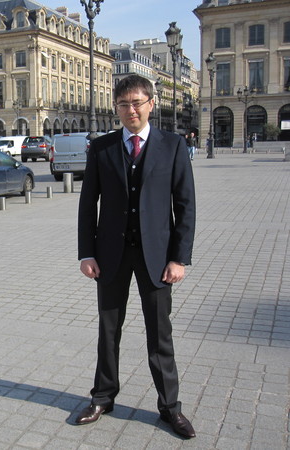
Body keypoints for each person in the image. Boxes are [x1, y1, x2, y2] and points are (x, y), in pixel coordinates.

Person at [76, 74, 196, 439]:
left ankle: (170, 407)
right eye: (124, 104)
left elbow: (185, 205)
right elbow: (88, 204)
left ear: (151, 104)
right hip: (110, 255)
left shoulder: (172, 145)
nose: (131, 110)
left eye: (137, 102)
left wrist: (179, 258)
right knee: (108, 330)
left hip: (156, 257)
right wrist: (87, 253)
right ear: (116, 108)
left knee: (160, 334)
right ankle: (102, 397)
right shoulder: (102, 148)